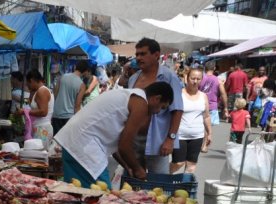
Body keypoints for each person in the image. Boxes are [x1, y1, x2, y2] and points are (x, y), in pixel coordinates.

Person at [55, 81, 174, 186]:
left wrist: (127, 166)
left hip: (72, 143)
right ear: (156, 98)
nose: (158, 112)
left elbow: (117, 144)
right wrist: (138, 169)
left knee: (77, 199)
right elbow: (124, 146)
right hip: (84, 147)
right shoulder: (141, 104)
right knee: (104, 198)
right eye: (162, 107)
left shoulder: (128, 95)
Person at [128, 38, 184, 174]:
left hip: (157, 143)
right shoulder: (133, 79)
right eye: (137, 54)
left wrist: (170, 140)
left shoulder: (169, 77)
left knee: (158, 186)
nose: (139, 58)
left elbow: (177, 110)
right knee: (133, 183)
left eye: (143, 54)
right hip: (133, 141)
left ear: (156, 55)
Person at [171, 68, 211, 174]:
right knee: (178, 163)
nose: (195, 81)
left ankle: (184, 189)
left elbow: (206, 116)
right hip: (180, 135)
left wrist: (209, 133)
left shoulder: (203, 96)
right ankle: (162, 177)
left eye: (198, 79)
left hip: (197, 136)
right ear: (187, 78)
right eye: (193, 78)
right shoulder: (179, 94)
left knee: (191, 166)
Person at [52, 60, 87, 134]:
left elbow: (55, 94)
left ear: (76, 67)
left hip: (56, 114)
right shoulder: (82, 85)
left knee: (56, 142)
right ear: (85, 71)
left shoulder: (62, 77)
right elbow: (77, 105)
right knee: (66, 142)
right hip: (69, 117)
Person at [21, 69, 54, 144]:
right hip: (40, 128)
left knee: (38, 153)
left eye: (28, 84)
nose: (27, 86)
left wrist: (24, 111)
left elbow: (43, 112)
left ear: (32, 80)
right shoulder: (40, 91)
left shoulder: (42, 91)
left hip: (42, 129)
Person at [199, 61, 229, 130]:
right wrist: (225, 108)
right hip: (212, 107)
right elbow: (223, 94)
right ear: (214, 68)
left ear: (205, 68)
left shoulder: (199, 79)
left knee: (200, 128)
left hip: (200, 105)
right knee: (208, 129)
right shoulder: (218, 80)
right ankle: (206, 140)